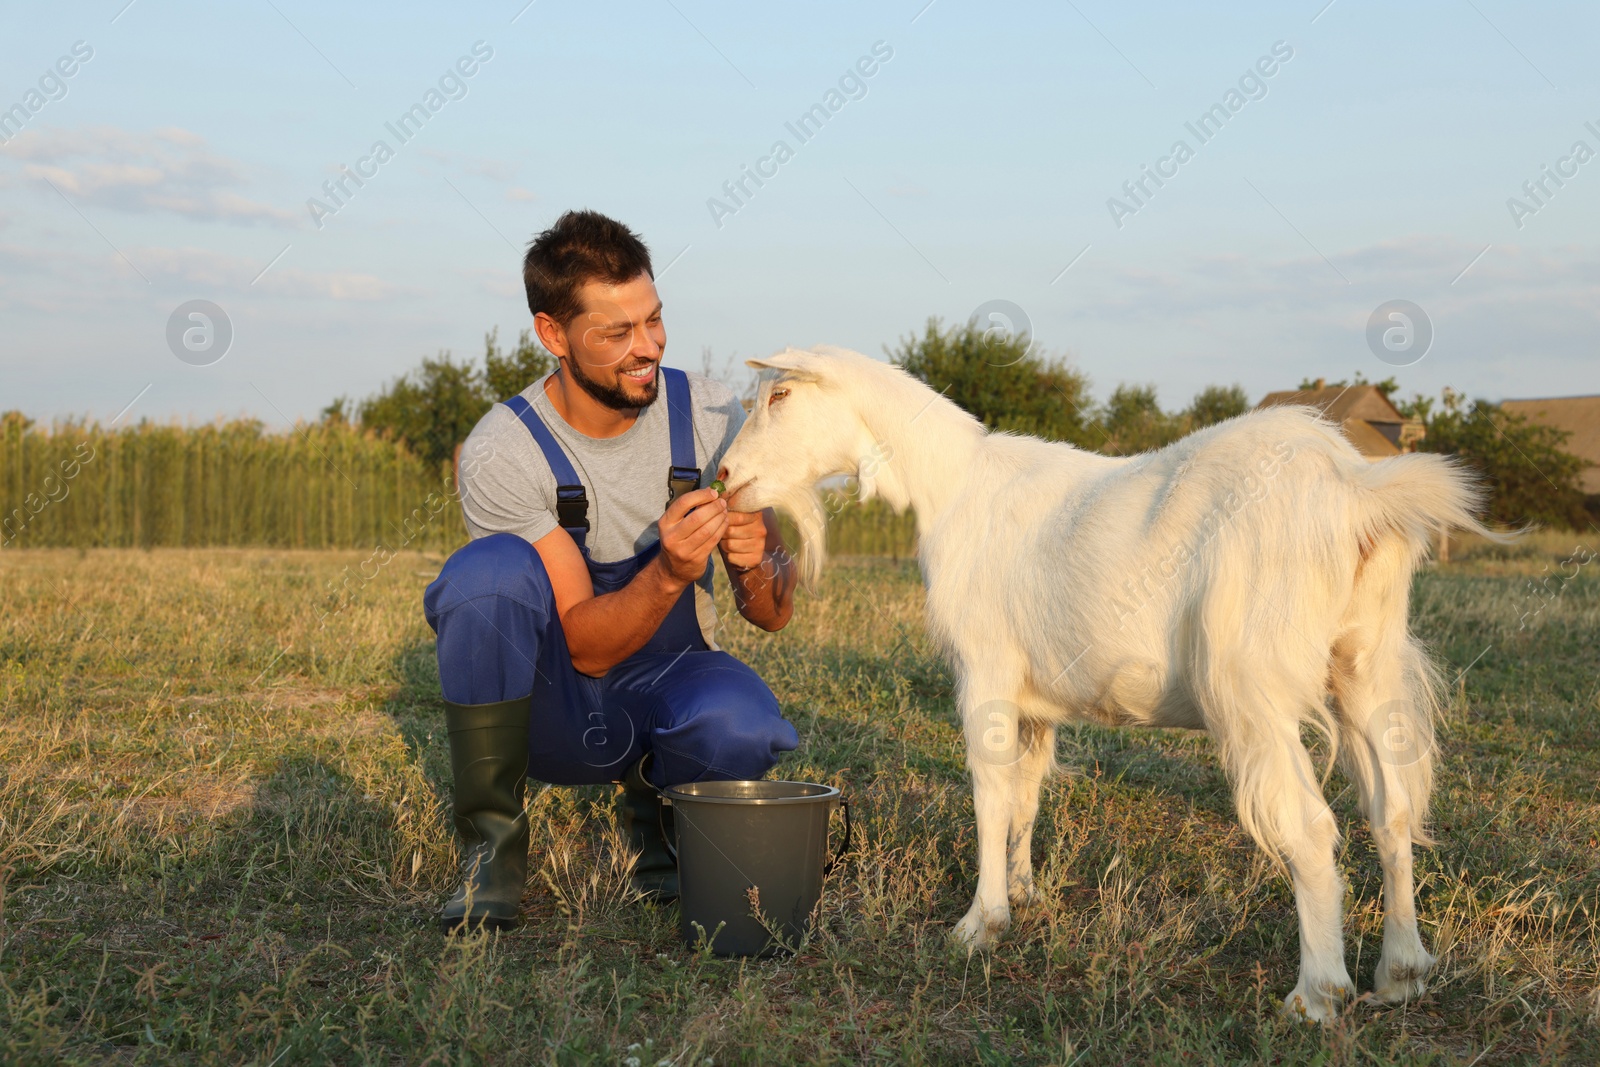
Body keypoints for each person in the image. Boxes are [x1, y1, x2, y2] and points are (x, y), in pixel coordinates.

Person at [424, 210, 800, 932]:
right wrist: (669, 570)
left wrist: (756, 563)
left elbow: (772, 611)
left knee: (742, 721)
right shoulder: (504, 450)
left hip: (667, 680)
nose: (647, 349)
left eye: (654, 320)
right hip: (553, 710)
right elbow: (587, 648)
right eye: (616, 333)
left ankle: (659, 827)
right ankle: (492, 853)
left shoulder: (713, 410)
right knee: (487, 575)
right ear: (552, 335)